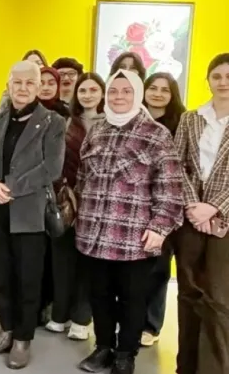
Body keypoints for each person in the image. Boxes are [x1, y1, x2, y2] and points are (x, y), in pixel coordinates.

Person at [75, 69, 183, 374]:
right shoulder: (97, 131)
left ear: (137, 95)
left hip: (134, 238)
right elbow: (82, 178)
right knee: (99, 296)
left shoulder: (156, 135)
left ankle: (125, 354)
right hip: (94, 234)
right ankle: (103, 347)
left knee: (132, 299)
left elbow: (170, 188)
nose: (118, 96)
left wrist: (159, 227)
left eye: (126, 91)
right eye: (113, 91)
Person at [0, 61, 66, 370]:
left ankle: (23, 339)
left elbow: (51, 168)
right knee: (2, 277)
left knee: (28, 279)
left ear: (39, 86)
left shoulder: (53, 122)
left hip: (29, 213)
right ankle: (6, 330)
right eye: (18, 82)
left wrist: (10, 187)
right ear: (9, 85)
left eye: (30, 83)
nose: (23, 88)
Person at [172, 53, 229, 374]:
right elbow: (176, 165)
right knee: (188, 293)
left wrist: (215, 206)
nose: (223, 82)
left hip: (226, 220)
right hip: (191, 219)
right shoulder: (191, 118)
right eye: (217, 76)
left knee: (220, 299)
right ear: (208, 80)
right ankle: (186, 366)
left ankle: (215, 368)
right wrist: (194, 206)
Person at [47, 72, 105, 341]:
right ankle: (59, 314)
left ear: (102, 93)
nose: (88, 95)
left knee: (88, 262)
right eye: (83, 90)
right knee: (62, 260)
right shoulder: (65, 122)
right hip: (66, 200)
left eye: (93, 90)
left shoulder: (110, 123)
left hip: (98, 202)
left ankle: (82, 318)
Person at [140, 72, 185, 347]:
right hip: (135, 205)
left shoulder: (181, 123)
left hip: (165, 206)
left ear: (172, 95)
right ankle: (130, 319)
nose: (157, 93)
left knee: (158, 269)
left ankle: (151, 325)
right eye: (153, 88)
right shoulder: (133, 119)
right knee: (133, 270)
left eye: (164, 90)